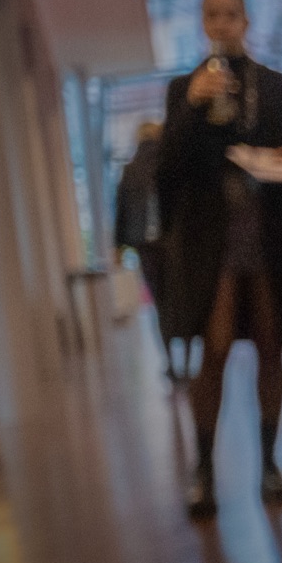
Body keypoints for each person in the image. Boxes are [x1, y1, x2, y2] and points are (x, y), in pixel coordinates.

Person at [155, 0, 282, 519]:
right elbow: (168, 168)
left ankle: (270, 465)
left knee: (272, 343)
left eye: (231, 14)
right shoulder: (184, 88)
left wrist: (281, 160)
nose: (223, 24)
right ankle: (204, 469)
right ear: (203, 22)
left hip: (271, 232)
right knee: (215, 346)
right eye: (213, 15)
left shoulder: (276, 86)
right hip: (212, 239)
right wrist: (192, 106)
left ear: (246, 21)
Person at [114, 121, 183, 380]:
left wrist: (119, 245)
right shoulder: (167, 164)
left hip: (144, 244)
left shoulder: (130, 169)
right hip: (171, 240)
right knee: (177, 298)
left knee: (160, 303)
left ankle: (170, 361)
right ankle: (185, 355)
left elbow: (121, 209)